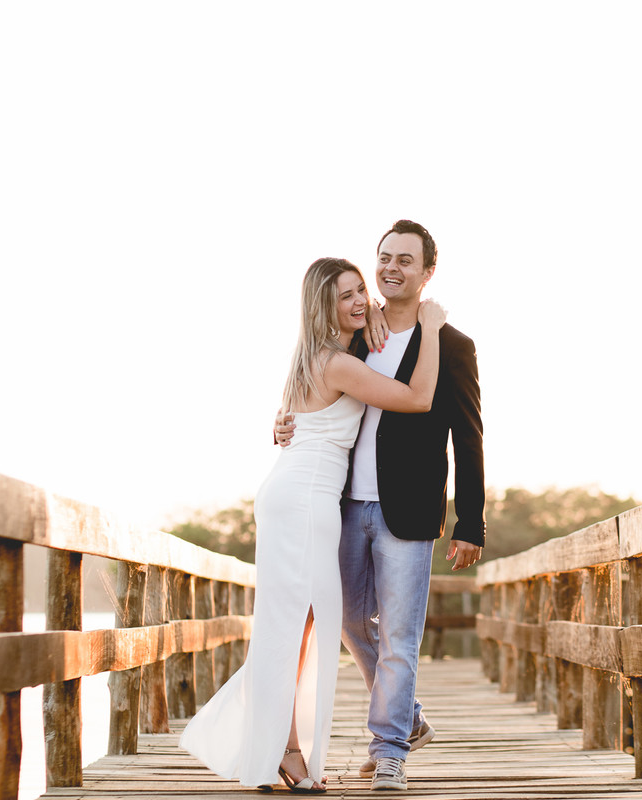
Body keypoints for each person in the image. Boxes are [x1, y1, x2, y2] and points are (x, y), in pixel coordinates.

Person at [180, 257, 447, 794]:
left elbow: (292, 421)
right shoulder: (337, 364)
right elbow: (417, 399)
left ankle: (280, 746)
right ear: (322, 304)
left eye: (360, 292)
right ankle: (283, 748)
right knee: (297, 628)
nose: (357, 301)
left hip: (297, 494)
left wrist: (369, 311)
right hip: (304, 501)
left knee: (299, 627)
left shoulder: (311, 357)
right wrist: (433, 328)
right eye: (345, 295)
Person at [276, 220, 485, 792]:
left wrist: (471, 523)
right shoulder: (354, 335)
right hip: (342, 505)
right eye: (385, 257)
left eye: (405, 260)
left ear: (427, 271)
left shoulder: (452, 345)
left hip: (409, 510)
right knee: (346, 620)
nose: (391, 268)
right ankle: (409, 719)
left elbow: (468, 438)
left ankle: (390, 749)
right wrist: (286, 420)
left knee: (399, 634)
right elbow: (313, 391)